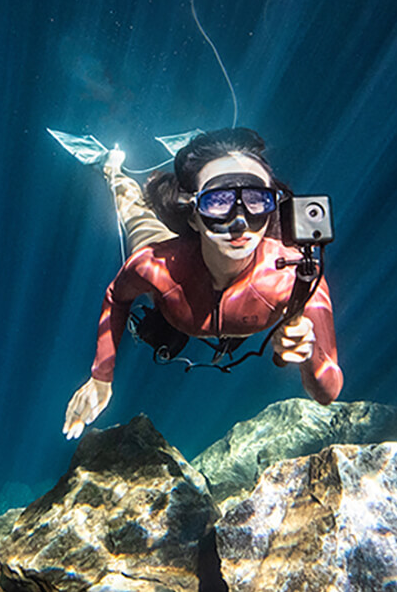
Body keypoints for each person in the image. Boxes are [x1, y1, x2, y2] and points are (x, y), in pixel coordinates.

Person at [63, 127, 343, 438]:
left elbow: (327, 392)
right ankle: (111, 167)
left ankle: (199, 162)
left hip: (199, 308)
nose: (239, 223)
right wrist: (101, 376)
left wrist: (306, 356)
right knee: (135, 215)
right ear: (193, 215)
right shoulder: (155, 267)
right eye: (218, 201)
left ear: (272, 206)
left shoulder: (296, 278)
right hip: (179, 282)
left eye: (255, 199)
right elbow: (116, 295)